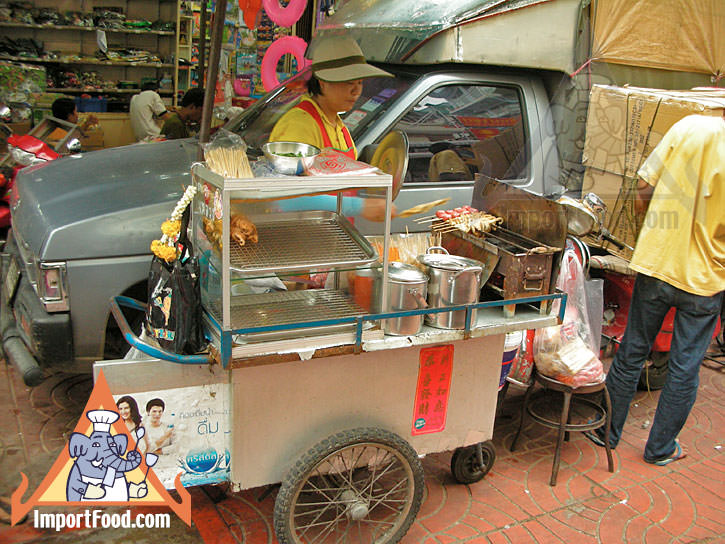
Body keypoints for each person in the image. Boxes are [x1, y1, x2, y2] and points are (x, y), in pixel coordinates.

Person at [586, 114, 725, 465]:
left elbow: (642, 190)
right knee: (684, 367)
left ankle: (607, 434)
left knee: (632, 350)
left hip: (658, 260)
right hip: (706, 278)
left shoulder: (689, 126)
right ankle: (660, 449)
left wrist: (652, 230)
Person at [268, 36, 396, 222]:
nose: (356, 91)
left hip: (333, 235)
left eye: (359, 82)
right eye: (348, 82)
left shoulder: (339, 126)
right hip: (303, 239)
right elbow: (284, 198)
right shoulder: (299, 125)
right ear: (322, 82)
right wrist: (359, 206)